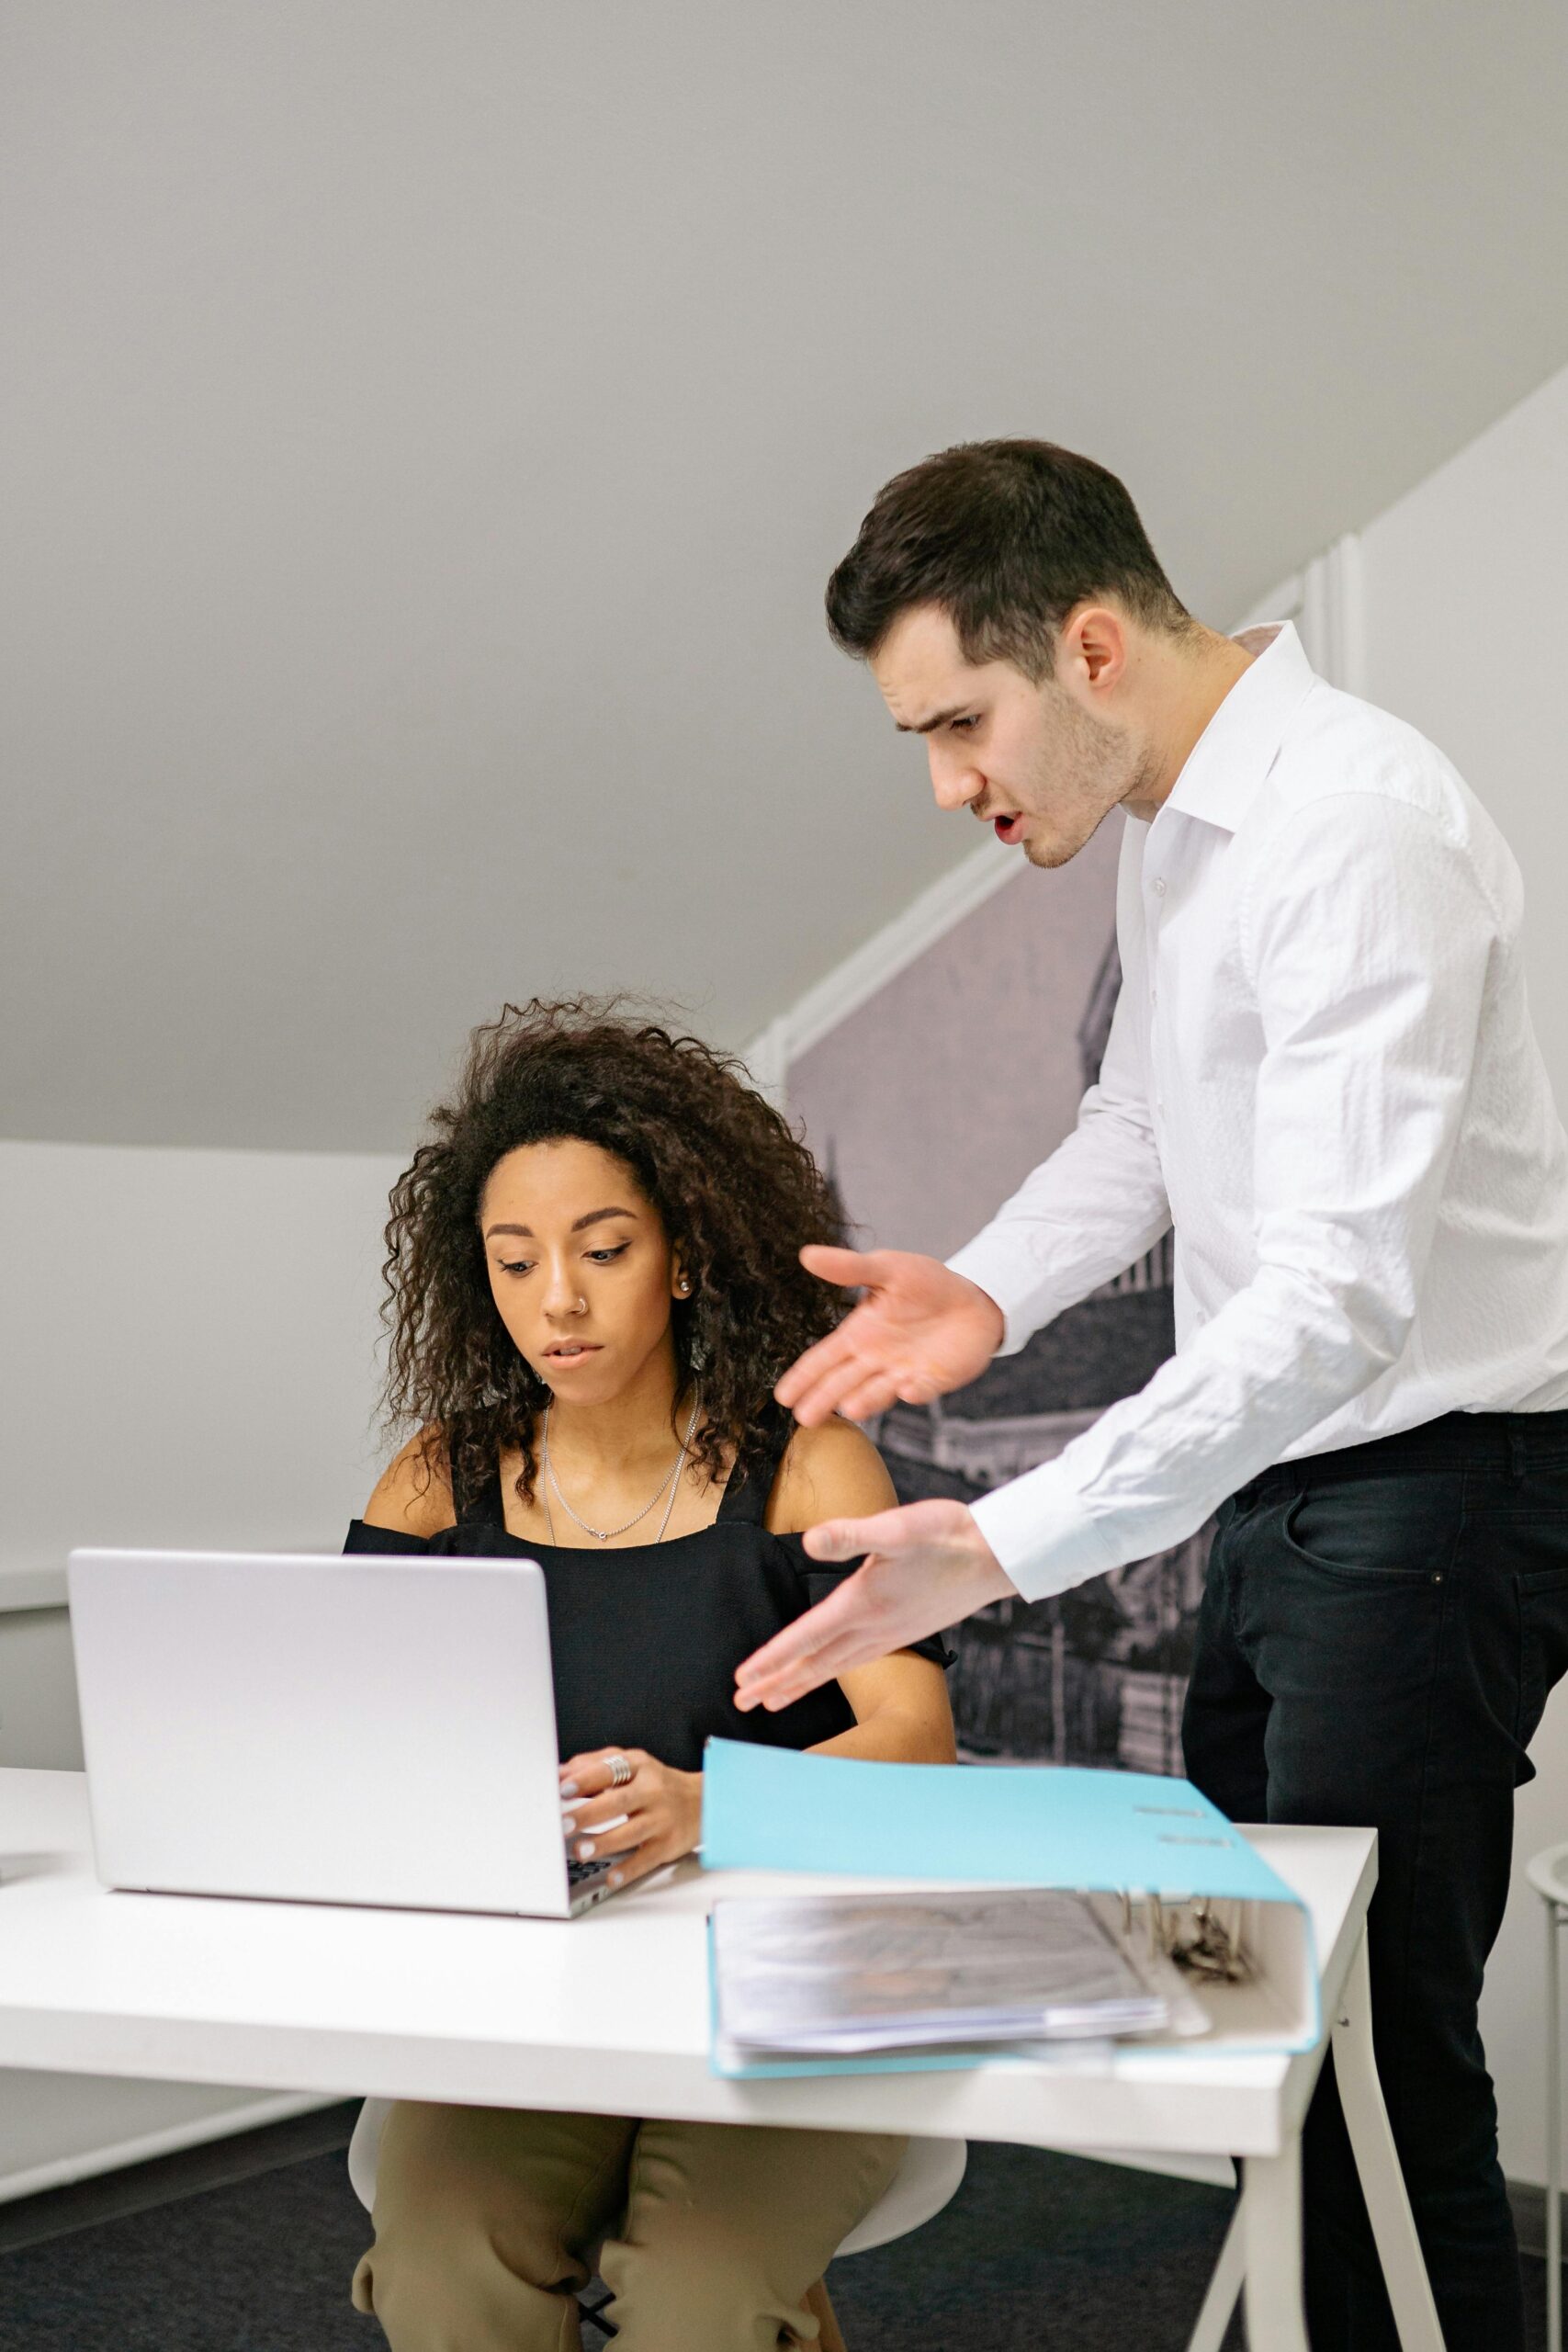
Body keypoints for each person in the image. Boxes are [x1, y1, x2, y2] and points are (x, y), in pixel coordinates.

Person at [735, 439, 1568, 2351]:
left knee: (1367, 2031)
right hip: (1297, 1482)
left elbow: (1336, 1295)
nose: (950, 784)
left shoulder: (1354, 825)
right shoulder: (1173, 829)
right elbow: (1138, 1122)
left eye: (959, 722)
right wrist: (987, 1285)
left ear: (1090, 646)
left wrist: (997, 1537)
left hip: (1435, 1488)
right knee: (1250, 2000)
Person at [344, 999, 955, 2352]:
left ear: (680, 1258)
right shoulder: (439, 1483)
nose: (554, 1299)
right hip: (543, 1978)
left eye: (601, 1250)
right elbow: (351, 1741)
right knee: (443, 2263)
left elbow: (915, 1735)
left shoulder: (806, 1465)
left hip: (794, 1968)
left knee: (694, 2297)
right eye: (513, 1263)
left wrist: (703, 1809)